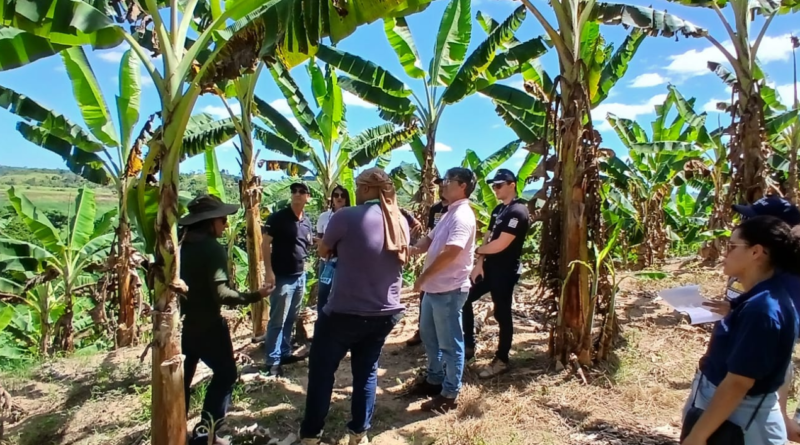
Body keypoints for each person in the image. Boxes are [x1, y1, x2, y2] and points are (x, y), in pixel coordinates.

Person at [299, 168, 409, 445]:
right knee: (367, 371)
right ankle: (359, 434)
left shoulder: (346, 216)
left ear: (369, 189)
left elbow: (324, 250)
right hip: (385, 313)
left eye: (359, 187)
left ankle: (311, 435)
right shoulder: (400, 220)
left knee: (322, 371)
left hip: (344, 312)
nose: (356, 192)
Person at [681, 216, 800, 445]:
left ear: (756, 252)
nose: (725, 254)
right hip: (734, 419)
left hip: (741, 425)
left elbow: (738, 382)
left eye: (733, 246)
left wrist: (698, 435)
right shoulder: (760, 299)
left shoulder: (762, 311)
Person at [178, 195, 273, 445]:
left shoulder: (179, 245)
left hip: (181, 326)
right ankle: (206, 431)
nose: (225, 225)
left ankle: (176, 432)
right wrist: (256, 295)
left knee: (181, 382)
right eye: (222, 219)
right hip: (208, 324)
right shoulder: (210, 248)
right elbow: (221, 294)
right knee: (226, 373)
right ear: (209, 222)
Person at [407, 168, 476, 412]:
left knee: (450, 343)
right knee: (429, 336)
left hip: (448, 290)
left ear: (463, 186)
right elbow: (430, 239)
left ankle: (449, 394)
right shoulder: (448, 213)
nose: (443, 185)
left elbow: (453, 251)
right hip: (434, 289)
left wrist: (424, 276)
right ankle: (434, 380)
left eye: (448, 181)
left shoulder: (463, 216)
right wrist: (412, 249)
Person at [463, 169, 530, 378]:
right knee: (464, 298)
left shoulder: (518, 212)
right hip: (488, 268)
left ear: (512, 185)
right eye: (493, 185)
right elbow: (488, 237)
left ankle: (502, 359)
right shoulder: (498, 210)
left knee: (502, 313)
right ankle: (468, 346)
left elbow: (501, 244)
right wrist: (479, 263)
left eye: (499, 185)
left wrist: (477, 251)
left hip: (505, 271)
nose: (495, 189)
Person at [261, 181, 314, 377]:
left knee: (291, 318)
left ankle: (284, 352)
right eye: (294, 191)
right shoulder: (278, 218)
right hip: (282, 277)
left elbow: (305, 246)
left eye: (302, 191)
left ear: (308, 197)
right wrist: (268, 271)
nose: (297, 194)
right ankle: (272, 361)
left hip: (300, 276)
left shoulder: (306, 221)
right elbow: (265, 244)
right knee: (277, 319)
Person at [406, 180, 449, 347]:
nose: (441, 188)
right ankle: (422, 331)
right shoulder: (436, 209)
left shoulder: (457, 212)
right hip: (433, 257)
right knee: (425, 297)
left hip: (448, 262)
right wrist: (414, 249)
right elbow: (431, 234)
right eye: (440, 186)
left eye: (445, 185)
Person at [315, 185, 351, 313]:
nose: (339, 198)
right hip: (327, 261)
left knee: (345, 293)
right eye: (336, 195)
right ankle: (322, 323)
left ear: (347, 198)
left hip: (346, 261)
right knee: (323, 293)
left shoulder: (353, 215)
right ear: (332, 199)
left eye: (342, 195)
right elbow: (320, 238)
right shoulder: (324, 216)